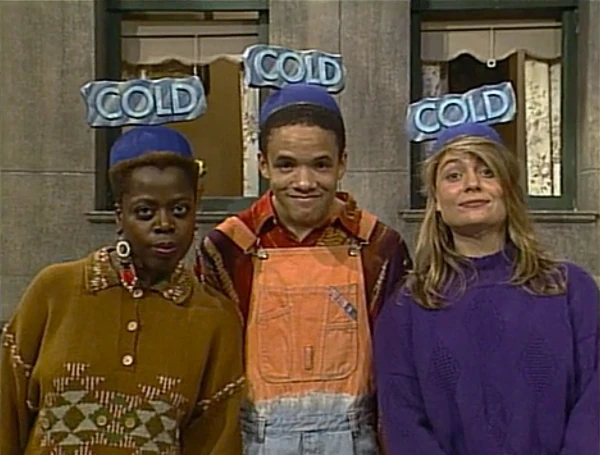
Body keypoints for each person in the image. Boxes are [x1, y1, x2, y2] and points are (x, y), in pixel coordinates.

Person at [1, 126, 244, 455]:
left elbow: (217, 441)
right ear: (119, 216)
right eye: (145, 212)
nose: (164, 224)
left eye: (180, 210)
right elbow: (7, 411)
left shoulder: (214, 318)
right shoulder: (55, 290)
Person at [199, 82, 413, 454]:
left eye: (320, 165)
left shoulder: (379, 246)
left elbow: (397, 368)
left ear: (342, 163)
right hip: (256, 441)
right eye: (286, 165)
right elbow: (214, 372)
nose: (304, 182)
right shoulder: (228, 248)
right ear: (263, 164)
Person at [374, 122, 599, 455]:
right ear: (436, 201)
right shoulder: (406, 308)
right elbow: (404, 423)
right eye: (454, 175)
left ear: (508, 190)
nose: (472, 184)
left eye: (487, 172)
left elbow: (593, 405)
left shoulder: (570, 291)